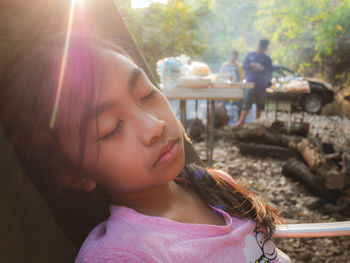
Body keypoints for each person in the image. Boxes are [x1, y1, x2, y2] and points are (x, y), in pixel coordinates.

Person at [0, 34, 291, 262]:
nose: (155, 126)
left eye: (147, 94)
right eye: (111, 128)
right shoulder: (125, 255)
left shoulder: (214, 186)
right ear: (73, 174)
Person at [232, 39, 273, 128]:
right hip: (250, 84)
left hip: (262, 85)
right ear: (258, 46)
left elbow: (270, 72)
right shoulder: (250, 55)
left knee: (260, 104)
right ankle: (241, 122)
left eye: (263, 49)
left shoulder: (267, 59)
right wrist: (251, 65)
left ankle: (256, 122)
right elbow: (244, 67)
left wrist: (263, 69)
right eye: (260, 48)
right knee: (247, 103)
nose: (261, 50)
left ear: (265, 49)